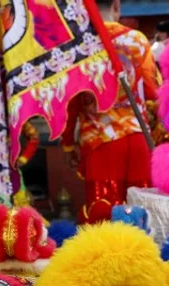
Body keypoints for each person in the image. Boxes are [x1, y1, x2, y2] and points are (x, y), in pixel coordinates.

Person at [61, 0, 160, 223]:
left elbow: (71, 102)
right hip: (137, 139)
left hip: (100, 142)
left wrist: (68, 143)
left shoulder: (78, 46)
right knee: (142, 213)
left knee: (102, 215)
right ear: (116, 5)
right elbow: (153, 91)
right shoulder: (137, 40)